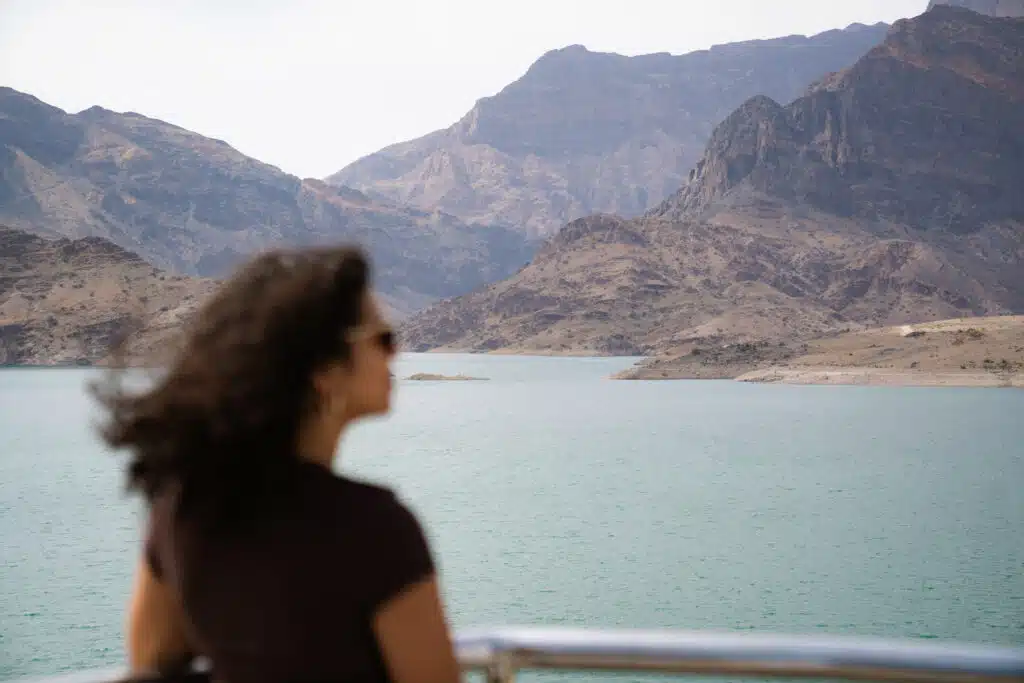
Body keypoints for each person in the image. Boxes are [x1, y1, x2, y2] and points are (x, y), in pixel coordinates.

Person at [93, 246, 461, 683]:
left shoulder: (183, 507)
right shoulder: (376, 527)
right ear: (325, 369)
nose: (394, 354)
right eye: (382, 339)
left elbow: (151, 660)